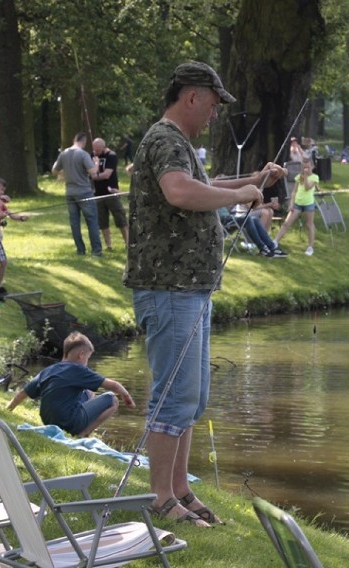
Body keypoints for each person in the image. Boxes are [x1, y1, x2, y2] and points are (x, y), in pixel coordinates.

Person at [124, 61, 286, 527]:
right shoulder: (164, 139)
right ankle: (159, 498)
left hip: (190, 289)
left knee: (191, 398)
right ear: (192, 96)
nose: (215, 113)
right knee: (173, 397)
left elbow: (204, 186)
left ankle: (179, 488)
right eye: (214, 104)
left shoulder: (179, 144)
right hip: (169, 290)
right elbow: (179, 192)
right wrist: (242, 197)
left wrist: (253, 181)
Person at [6, 332, 135, 437]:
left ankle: (80, 428)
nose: (87, 362)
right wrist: (126, 397)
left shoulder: (48, 370)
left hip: (48, 421)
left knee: (89, 392)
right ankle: (83, 434)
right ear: (81, 355)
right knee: (112, 399)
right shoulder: (79, 370)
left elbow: (23, 393)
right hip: (69, 422)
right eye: (88, 358)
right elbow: (114, 386)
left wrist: (8, 410)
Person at [52, 132, 103, 256]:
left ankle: (80, 250)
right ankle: (96, 250)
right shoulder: (83, 154)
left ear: (74, 140)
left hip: (70, 192)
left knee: (74, 222)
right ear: (84, 142)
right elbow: (92, 172)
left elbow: (54, 170)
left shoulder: (63, 153)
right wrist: (96, 163)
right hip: (84, 191)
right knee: (91, 221)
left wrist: (64, 174)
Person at [274, 158, 318, 256]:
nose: (306, 169)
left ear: (312, 167)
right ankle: (275, 241)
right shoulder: (298, 177)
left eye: (308, 167)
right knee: (286, 223)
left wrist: (306, 176)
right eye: (304, 167)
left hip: (309, 204)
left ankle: (310, 247)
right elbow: (294, 192)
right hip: (297, 204)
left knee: (309, 225)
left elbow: (307, 187)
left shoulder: (315, 177)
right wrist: (291, 204)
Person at [91, 138, 128, 251]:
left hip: (112, 192)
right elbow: (90, 171)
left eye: (97, 150)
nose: (95, 152)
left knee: (120, 219)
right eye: (94, 149)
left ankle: (128, 243)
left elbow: (107, 174)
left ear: (104, 147)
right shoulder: (92, 156)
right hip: (98, 193)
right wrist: (95, 167)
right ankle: (109, 246)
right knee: (102, 222)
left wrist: (94, 176)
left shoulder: (111, 156)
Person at [0, 177, 28, 301]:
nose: (3, 192)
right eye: (1, 190)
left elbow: (9, 213)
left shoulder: (0, 202)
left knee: (3, 262)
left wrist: (19, 218)